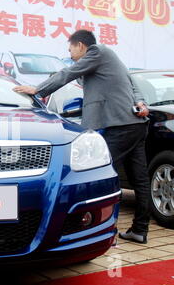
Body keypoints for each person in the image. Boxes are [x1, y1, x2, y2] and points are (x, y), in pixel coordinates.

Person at [13, 29, 151, 244]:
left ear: (80, 46)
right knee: (140, 181)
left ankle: (106, 233)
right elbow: (130, 82)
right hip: (135, 124)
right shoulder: (106, 58)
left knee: (99, 174)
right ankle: (139, 230)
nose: (70, 54)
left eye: (70, 49)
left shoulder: (97, 52)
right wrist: (141, 101)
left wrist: (37, 90)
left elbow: (68, 73)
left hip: (121, 126)